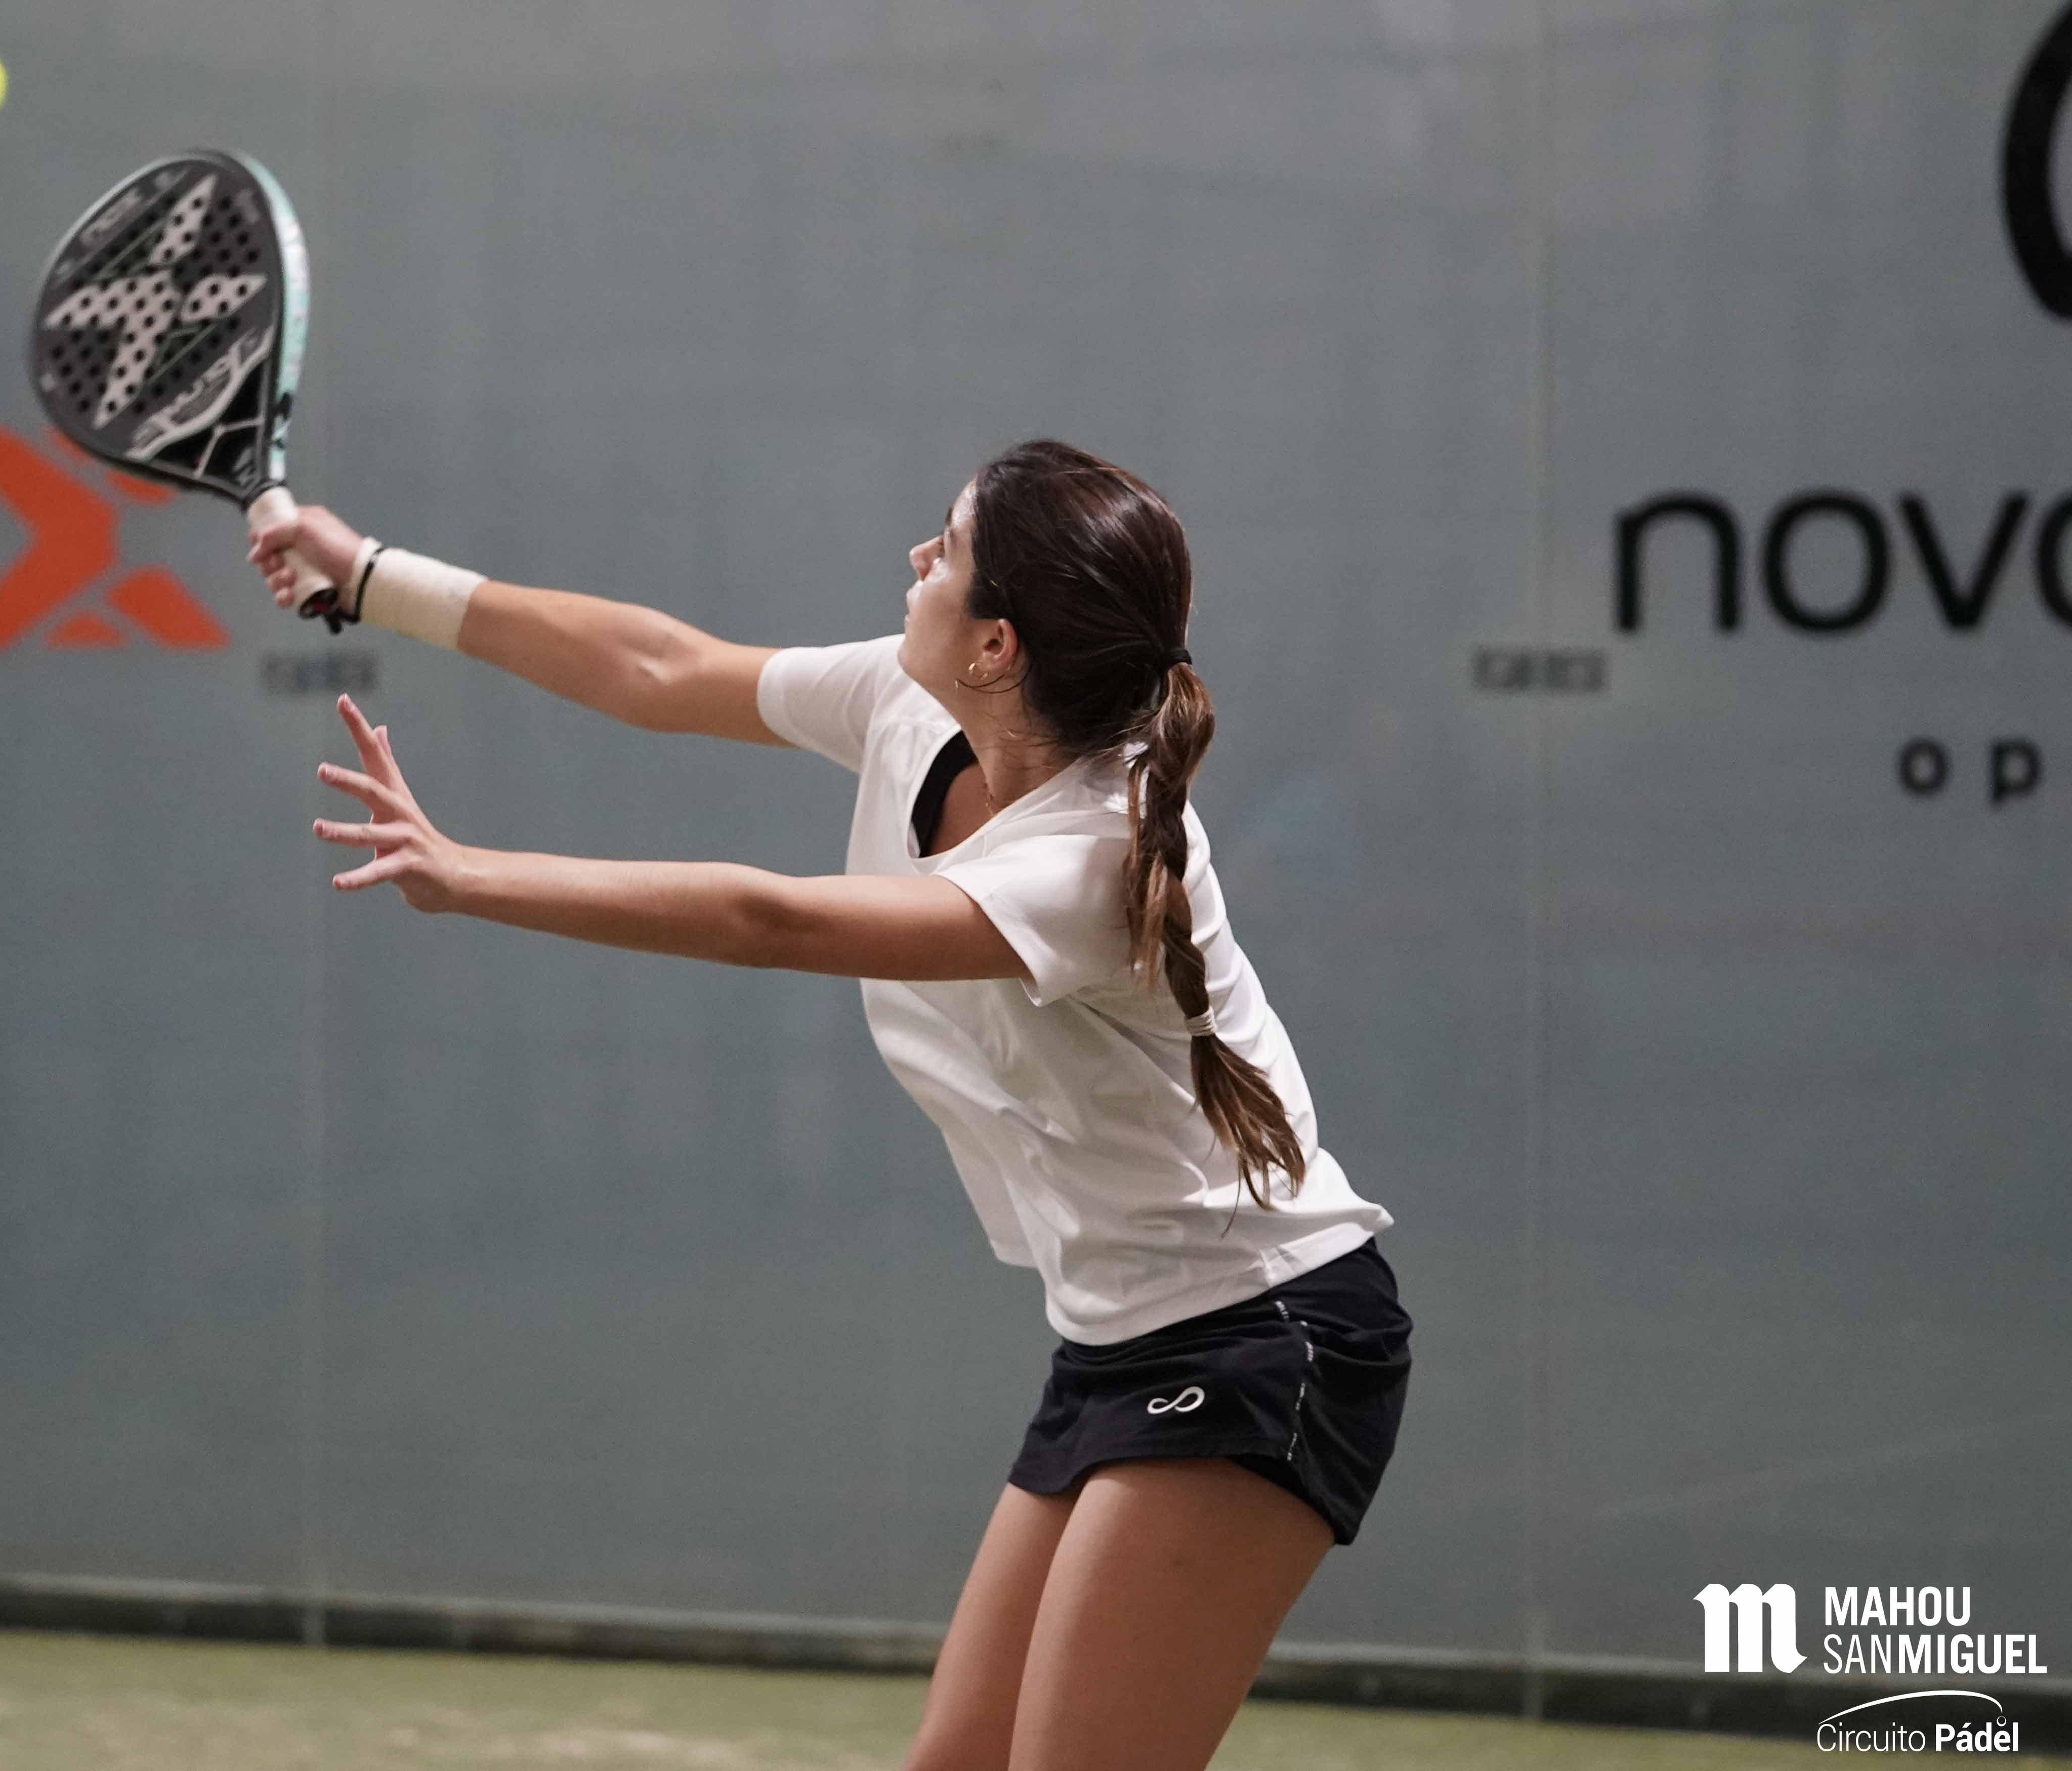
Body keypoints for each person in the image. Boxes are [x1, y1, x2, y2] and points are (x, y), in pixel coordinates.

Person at [247, 438, 1412, 1771]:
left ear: (998, 646)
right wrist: (370, 575)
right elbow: (657, 667)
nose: (918, 559)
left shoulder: (1091, 855)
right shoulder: (914, 703)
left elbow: (774, 921)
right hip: (1118, 1336)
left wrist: (469, 874)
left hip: (1261, 1334)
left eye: (948, 549)